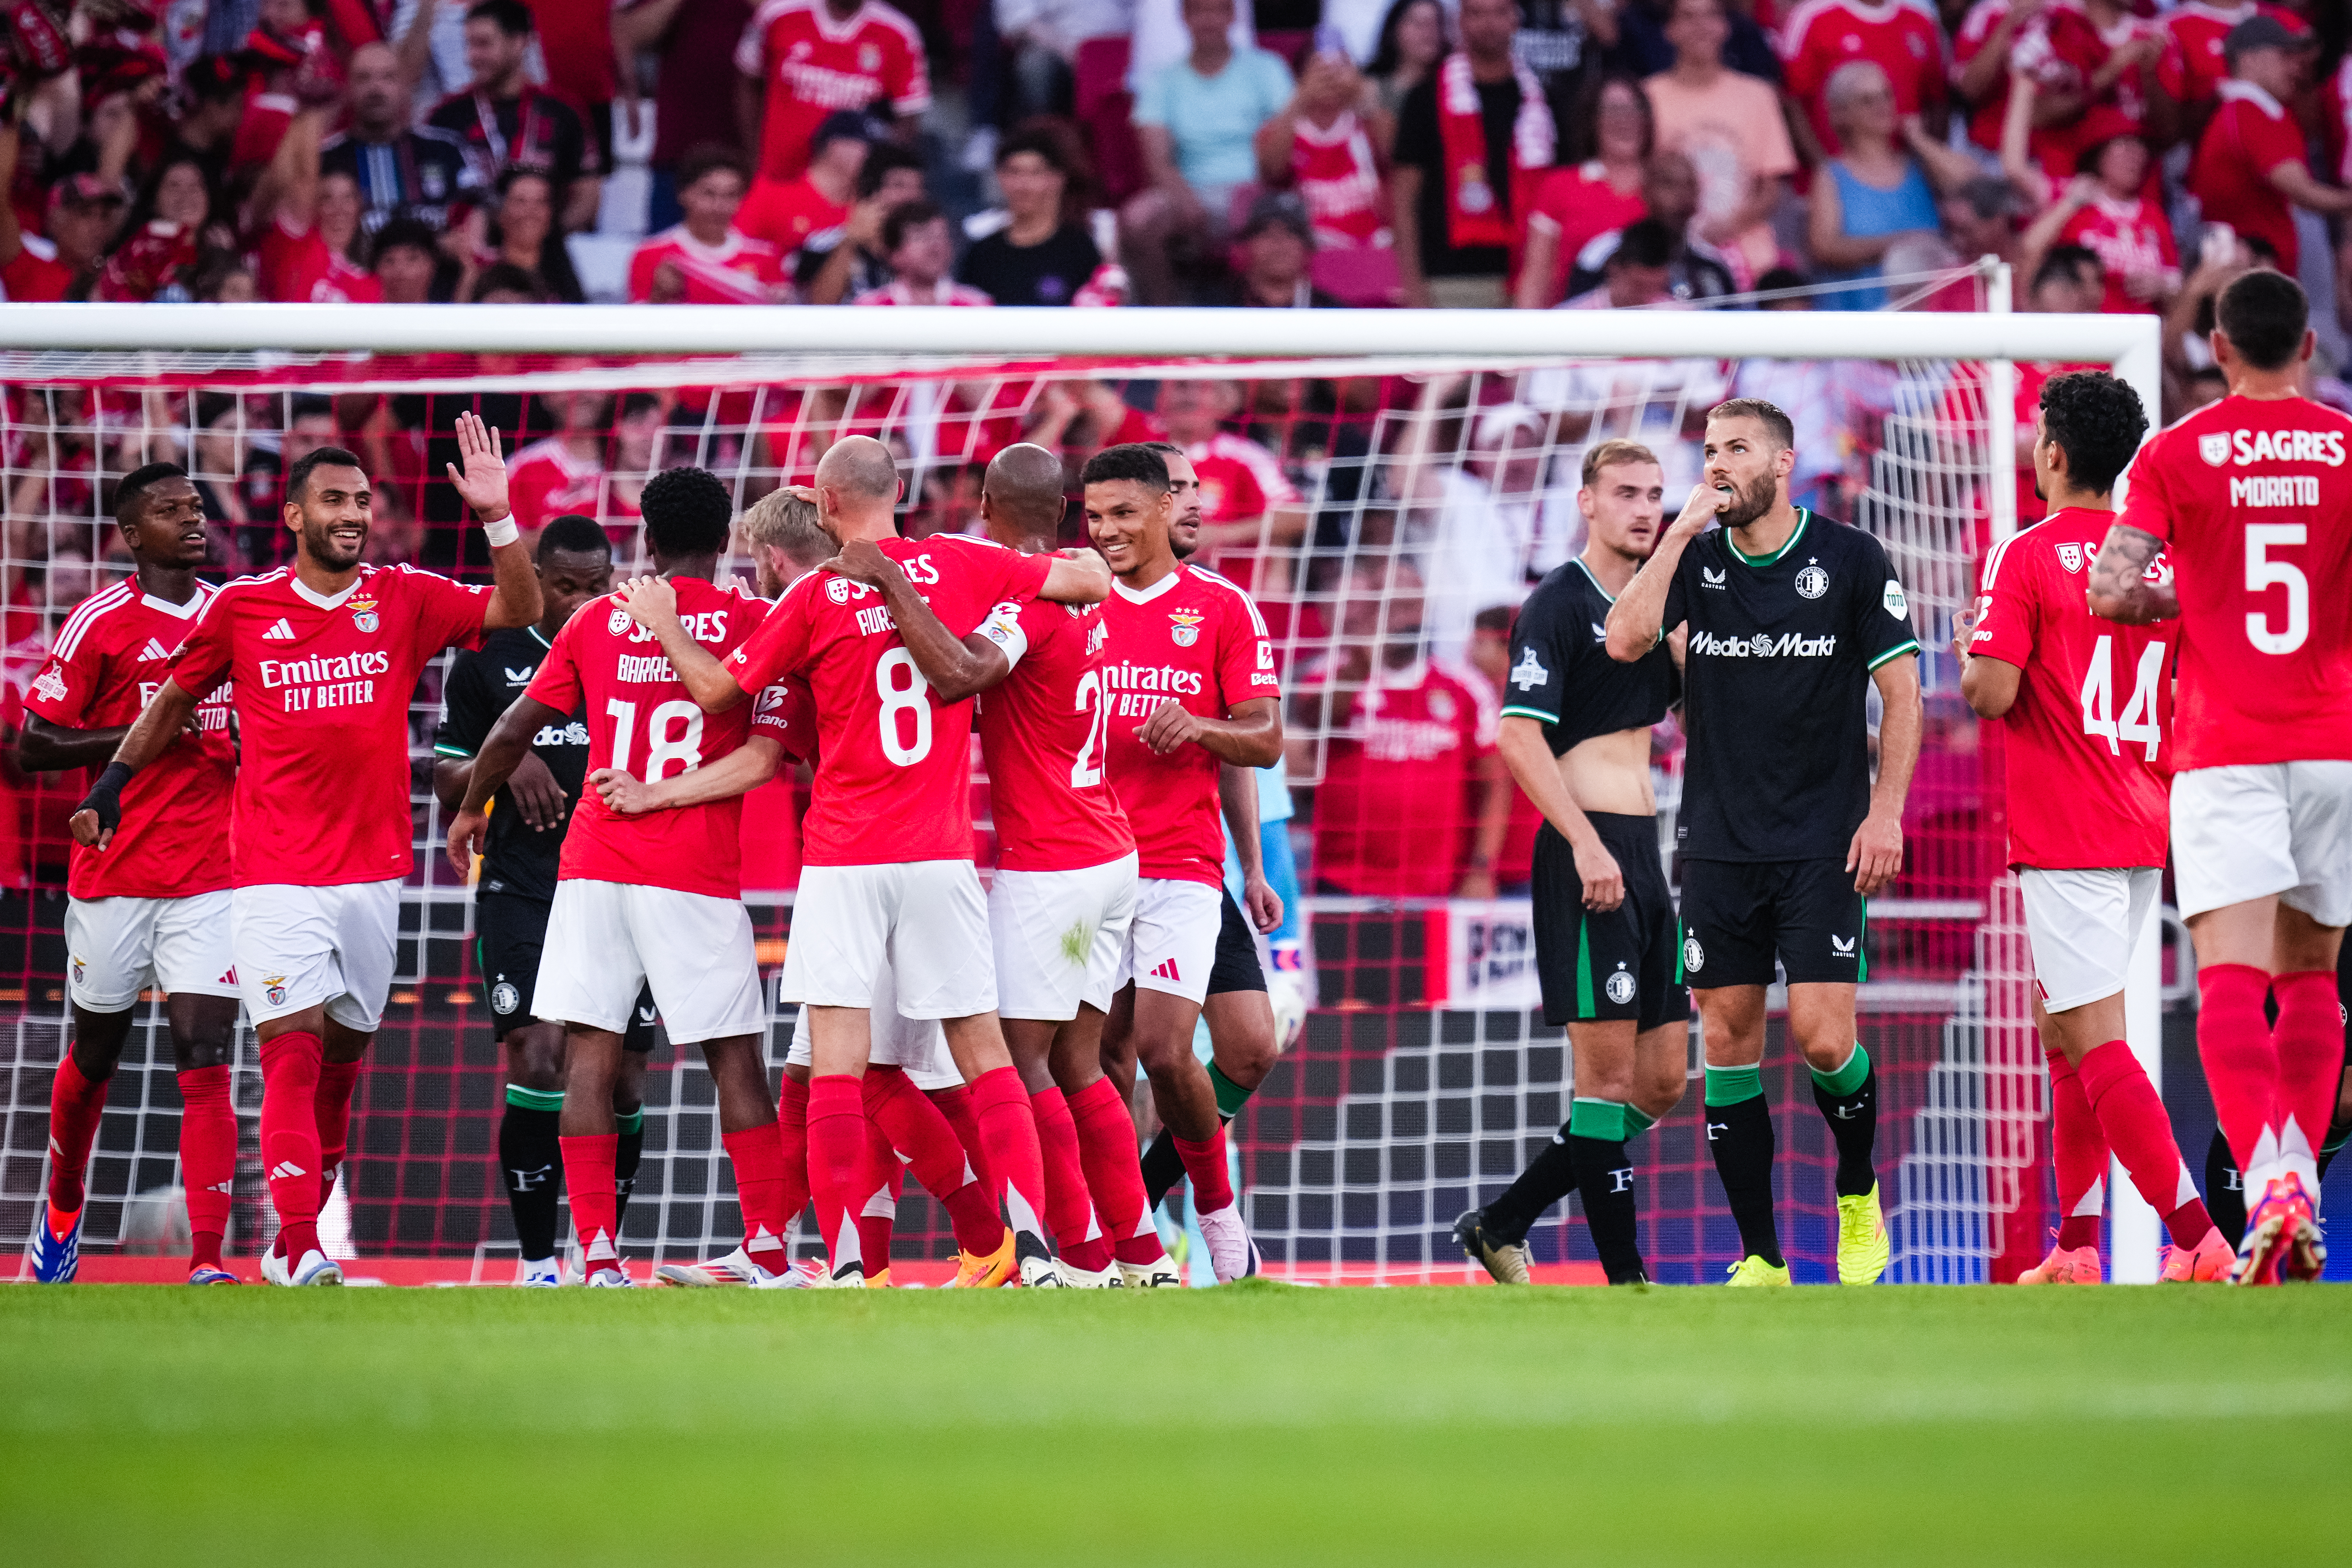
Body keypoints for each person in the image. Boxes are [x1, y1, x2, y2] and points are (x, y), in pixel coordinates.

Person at [69, 415, 544, 1288]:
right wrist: (113, 784)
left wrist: (496, 517)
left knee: (342, 1066)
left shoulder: (403, 595)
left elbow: (519, 608)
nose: (353, 515)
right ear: (292, 515)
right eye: (334, 500)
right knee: (288, 1050)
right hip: (272, 873)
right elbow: (174, 701)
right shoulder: (242, 607)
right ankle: (297, 1240)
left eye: (362, 501)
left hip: (373, 874)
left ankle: (301, 1241)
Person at [628, 435, 1111, 1288]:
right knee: (983, 1053)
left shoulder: (812, 595)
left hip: (846, 856)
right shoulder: (961, 561)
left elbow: (717, 693)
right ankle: (1033, 1250)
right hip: (940, 854)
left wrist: (666, 624)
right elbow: (1088, 581)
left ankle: (850, 1263)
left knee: (837, 1063)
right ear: (898, 494)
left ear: (823, 504)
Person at [812, 443, 1172, 1287]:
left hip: (1051, 866)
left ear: (982, 504)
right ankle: (1142, 1252)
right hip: (1109, 856)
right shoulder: (1089, 591)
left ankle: (1071, 1254)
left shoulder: (1023, 600)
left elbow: (961, 674)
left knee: (1013, 1059)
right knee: (1076, 1062)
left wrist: (892, 585)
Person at [446, 468, 799, 1289]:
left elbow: (508, 728)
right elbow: (769, 753)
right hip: (694, 871)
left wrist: (471, 811)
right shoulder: (754, 619)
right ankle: (768, 1247)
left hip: (595, 865)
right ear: (724, 543)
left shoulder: (598, 621)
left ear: (644, 540)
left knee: (591, 1057)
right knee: (735, 1061)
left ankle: (597, 1255)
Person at [1603, 397, 1922, 1287]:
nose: (1717, 465)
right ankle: (1761, 1255)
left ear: (1782, 465)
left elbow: (1902, 692)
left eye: (1736, 449)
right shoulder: (1694, 558)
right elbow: (1624, 638)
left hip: (1824, 838)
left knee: (1823, 1040)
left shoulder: (1851, 558)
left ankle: (1856, 1192)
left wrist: (1885, 811)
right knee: (1729, 1039)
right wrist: (1676, 534)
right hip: (1717, 842)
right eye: (1708, 451)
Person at [2088, 270, 2348, 1286]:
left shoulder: (2177, 451)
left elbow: (2113, 590)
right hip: (2334, 742)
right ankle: (2300, 1182)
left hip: (2226, 744)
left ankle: (2271, 1173)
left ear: (2219, 348)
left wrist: (2188, 602)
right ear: (2310, 347)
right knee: (2314, 981)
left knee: (2232, 983)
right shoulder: (2346, 447)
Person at [1952, 372, 2234, 1285]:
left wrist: (1975, 657)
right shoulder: (2158, 564)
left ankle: (2194, 1236)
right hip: (2144, 814)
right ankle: (2074, 1247)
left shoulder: (2024, 555)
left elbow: (1990, 693)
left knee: (2095, 1037)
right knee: (2064, 1031)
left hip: (2067, 823)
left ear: (2056, 454)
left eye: (2038, 434)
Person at [1454, 439, 1688, 1286]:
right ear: (1586, 502)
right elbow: (1516, 734)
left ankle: (1506, 1218)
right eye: (1624, 492)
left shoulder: (1657, 605)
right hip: (1585, 848)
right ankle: (1627, 1284)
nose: (1642, 508)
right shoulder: (1558, 600)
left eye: (1655, 495)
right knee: (1607, 1078)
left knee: (1661, 1081)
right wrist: (1584, 840)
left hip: (1645, 851)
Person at [20, 464, 240, 1286]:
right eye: (169, 511)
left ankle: (210, 1260)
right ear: (129, 533)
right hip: (114, 871)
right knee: (96, 1050)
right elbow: (32, 745)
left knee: (204, 1046)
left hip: (214, 869)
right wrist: (150, 734)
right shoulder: (99, 622)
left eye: (195, 507)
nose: (192, 519)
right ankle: (65, 1209)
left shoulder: (237, 611)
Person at [431, 515, 660, 1287]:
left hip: (622, 881)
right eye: (565, 585)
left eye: (596, 586)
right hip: (524, 885)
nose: (581, 600)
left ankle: (605, 1252)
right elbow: (444, 784)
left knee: (626, 1075)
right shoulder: (489, 658)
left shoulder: (636, 643)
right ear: (537, 574)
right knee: (538, 1053)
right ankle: (537, 1262)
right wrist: (508, 756)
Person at [1084, 442, 1284, 1281]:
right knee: (1093, 1058)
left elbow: (1263, 740)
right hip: (1081, 870)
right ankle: (1116, 1238)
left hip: (1179, 864)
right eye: (1091, 517)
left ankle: (1213, 1211)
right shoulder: (1066, 602)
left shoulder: (1221, 609)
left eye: (1122, 513)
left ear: (1168, 507)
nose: (1105, 532)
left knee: (1172, 1051)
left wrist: (1199, 728)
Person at [1292, 557, 1510, 900]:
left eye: (1410, 602)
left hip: (1438, 887)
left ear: (1425, 608)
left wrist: (1482, 869)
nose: (1400, 613)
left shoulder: (1466, 687)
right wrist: (1358, 668)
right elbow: (1315, 720)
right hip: (1344, 882)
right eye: (1389, 599)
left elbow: (1495, 785)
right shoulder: (1330, 675)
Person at [1123, 0, 1297, 305]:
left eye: (1218, 10)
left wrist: (1256, 193)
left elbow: (1283, 154)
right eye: (1199, 11)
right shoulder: (1162, 81)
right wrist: (1184, 198)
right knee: (1138, 220)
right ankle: (1165, 325)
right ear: (1185, 17)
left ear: (1232, 17)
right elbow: (1158, 160)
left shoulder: (1267, 69)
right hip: (1190, 190)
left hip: (1257, 190)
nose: (1208, 20)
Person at [1390, 0, 1555, 308]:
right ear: (1460, 22)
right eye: (1477, 13)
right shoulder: (1425, 98)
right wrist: (1414, 288)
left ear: (1516, 20)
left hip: (1531, 279)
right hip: (1449, 281)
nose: (1489, 24)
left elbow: (1558, 199)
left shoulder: (1543, 101)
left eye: (1500, 12)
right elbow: (1403, 201)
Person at [1806, 61, 1986, 311]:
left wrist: (1919, 140)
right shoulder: (1831, 176)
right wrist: (1900, 243)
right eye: (1867, 100)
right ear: (1842, 113)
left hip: (1928, 319)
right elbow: (1825, 247)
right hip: (1862, 317)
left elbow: (1977, 184)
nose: (1883, 106)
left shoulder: (1920, 166)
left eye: (1886, 95)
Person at [1641, 0, 1797, 286]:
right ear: (1670, 30)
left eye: (1711, 16)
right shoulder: (1648, 97)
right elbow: (1643, 181)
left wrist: (1728, 228)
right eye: (1688, 17)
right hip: (1672, 260)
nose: (1701, 27)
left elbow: (1772, 187)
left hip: (1752, 262)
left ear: (1726, 27)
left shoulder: (1759, 96)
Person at [2186, 16, 2352, 281]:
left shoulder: (2263, 109)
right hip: (2250, 276)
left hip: (2261, 272)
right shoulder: (2248, 111)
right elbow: (2302, 191)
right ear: (2249, 60)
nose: (2295, 67)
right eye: (2284, 56)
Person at [427, 0, 602, 233]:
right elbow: (429, 194)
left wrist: (545, 239)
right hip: (468, 251)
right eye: (469, 45)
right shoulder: (445, 116)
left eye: (484, 45)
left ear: (518, 43)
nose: (472, 57)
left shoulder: (564, 111)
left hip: (545, 251)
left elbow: (588, 193)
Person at [734, 0, 929, 188]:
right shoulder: (778, 13)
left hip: (848, 189)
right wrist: (753, 157)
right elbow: (749, 82)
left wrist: (876, 180)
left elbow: (908, 116)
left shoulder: (899, 32)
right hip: (778, 175)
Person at [321, 40, 482, 238]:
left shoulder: (447, 149)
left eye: (388, 78)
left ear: (405, 86)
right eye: (364, 79)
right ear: (348, 88)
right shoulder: (324, 159)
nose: (376, 89)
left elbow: (478, 216)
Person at [1514, 74, 1649, 310]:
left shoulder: (1668, 186)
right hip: (1575, 333)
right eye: (1613, 110)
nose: (1625, 120)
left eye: (1635, 109)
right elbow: (1536, 278)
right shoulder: (1559, 186)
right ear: (1592, 119)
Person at [1254, 39, 1391, 251]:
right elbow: (1271, 172)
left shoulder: (1370, 122)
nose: (1330, 77)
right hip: (1312, 244)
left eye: (1339, 69)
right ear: (1301, 78)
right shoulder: (1281, 128)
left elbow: (1396, 156)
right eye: (1320, 70)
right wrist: (1298, 101)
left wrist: (1365, 99)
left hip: (1378, 241)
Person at [1777, 0, 1948, 159]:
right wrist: (1826, 170)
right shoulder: (1812, 16)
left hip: (1911, 178)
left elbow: (1937, 100)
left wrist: (1931, 166)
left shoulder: (1920, 19)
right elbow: (1792, 103)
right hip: (1832, 173)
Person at [956, 123, 1103, 307]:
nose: (1023, 185)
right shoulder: (981, 255)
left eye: (1035, 173)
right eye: (1014, 172)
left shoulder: (1080, 250)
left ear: (1057, 179)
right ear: (1000, 177)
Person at [627, 144, 787, 305]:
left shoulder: (764, 256)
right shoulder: (651, 254)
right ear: (683, 194)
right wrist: (659, 296)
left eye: (731, 195)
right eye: (709, 194)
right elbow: (637, 325)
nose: (720, 206)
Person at [852, 201, 994, 306]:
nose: (934, 246)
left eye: (940, 236)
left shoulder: (976, 306)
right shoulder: (870, 309)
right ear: (894, 253)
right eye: (921, 237)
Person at [1366, 0, 1448, 124]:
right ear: (1394, 29)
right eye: (1419, 24)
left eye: (1436, 24)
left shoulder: (1453, 90)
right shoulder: (1369, 89)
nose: (1429, 33)